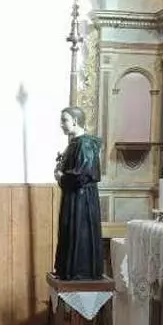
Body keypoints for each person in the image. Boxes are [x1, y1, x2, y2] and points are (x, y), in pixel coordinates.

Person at [53, 106, 104, 281]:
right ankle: (68, 269)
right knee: (69, 231)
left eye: (64, 120)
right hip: (73, 197)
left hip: (82, 201)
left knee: (80, 234)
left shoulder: (85, 144)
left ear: (75, 121)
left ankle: (79, 271)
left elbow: (82, 175)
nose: (61, 124)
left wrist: (61, 177)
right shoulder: (75, 143)